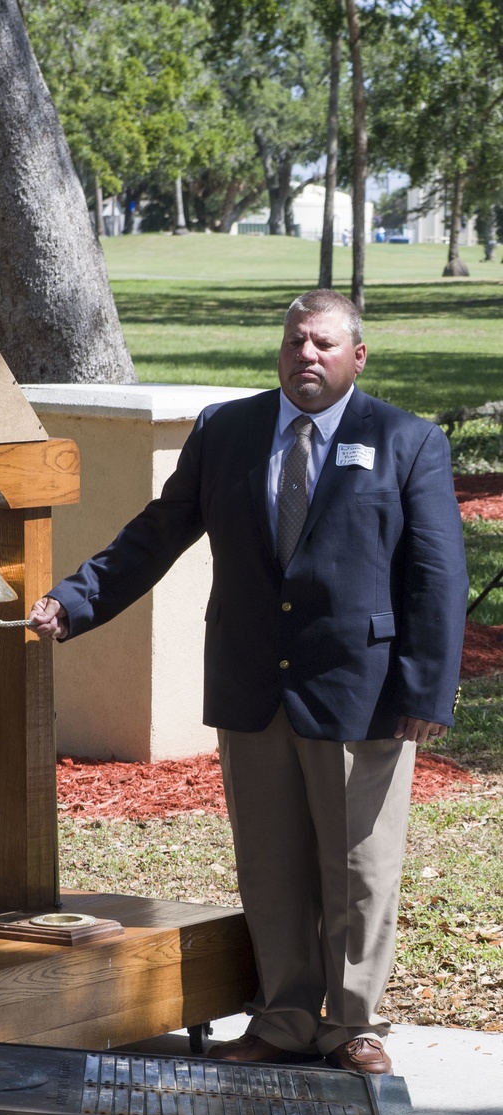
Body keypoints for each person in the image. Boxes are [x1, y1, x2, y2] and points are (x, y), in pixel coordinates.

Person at [28, 289, 468, 1075]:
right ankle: (286, 1017)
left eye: (325, 344)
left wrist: (426, 691)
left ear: (356, 357)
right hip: (251, 684)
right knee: (270, 865)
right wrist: (76, 598)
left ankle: (353, 1025)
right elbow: (157, 534)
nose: (308, 355)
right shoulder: (226, 432)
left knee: (357, 869)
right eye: (297, 340)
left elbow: (435, 574)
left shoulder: (406, 441)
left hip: (360, 692)